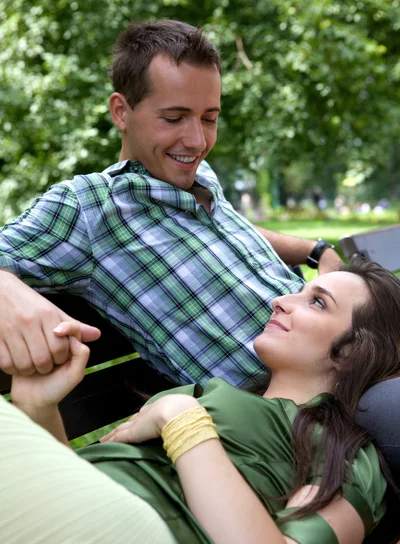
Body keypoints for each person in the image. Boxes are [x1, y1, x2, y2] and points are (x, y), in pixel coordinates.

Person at [2, 257, 399, 544]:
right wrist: (39, 406)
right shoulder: (199, 394)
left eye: (316, 302)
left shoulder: (343, 450)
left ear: (352, 351)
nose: (280, 301)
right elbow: (85, 486)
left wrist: (181, 419)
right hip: (86, 529)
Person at [0, 19, 341, 390]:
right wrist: (11, 294)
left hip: (355, 362)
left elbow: (224, 231)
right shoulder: (90, 207)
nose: (197, 140)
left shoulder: (201, 177)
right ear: (121, 112)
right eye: (174, 118)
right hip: (290, 415)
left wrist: (314, 250)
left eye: (209, 118)